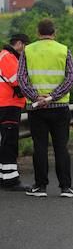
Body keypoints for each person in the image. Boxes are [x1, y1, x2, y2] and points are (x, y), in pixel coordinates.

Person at [17, 18, 73, 198]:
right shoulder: (64, 50)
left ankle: (40, 187)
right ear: (54, 32)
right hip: (59, 108)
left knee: (40, 147)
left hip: (36, 108)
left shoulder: (27, 51)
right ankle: (66, 188)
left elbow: (21, 78)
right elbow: (71, 78)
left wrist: (37, 97)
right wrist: (53, 97)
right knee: (61, 148)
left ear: (38, 33)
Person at [0, 33, 30, 192]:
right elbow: (17, 80)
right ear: (19, 44)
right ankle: (11, 180)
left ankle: (3, 177)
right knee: (9, 143)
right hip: (8, 105)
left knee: (5, 142)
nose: (25, 50)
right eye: (25, 46)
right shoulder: (8, 57)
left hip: (5, 104)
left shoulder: (5, 55)